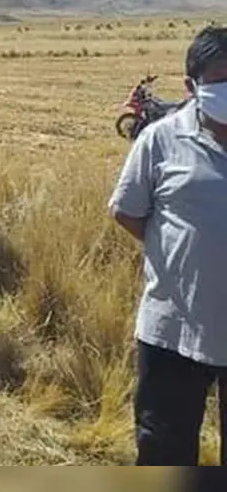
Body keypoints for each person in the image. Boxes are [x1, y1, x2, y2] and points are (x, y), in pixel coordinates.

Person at [108, 26, 227, 466]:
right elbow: (126, 211)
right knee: (165, 454)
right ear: (191, 86)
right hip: (174, 330)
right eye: (221, 78)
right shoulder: (159, 140)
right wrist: (181, 252)